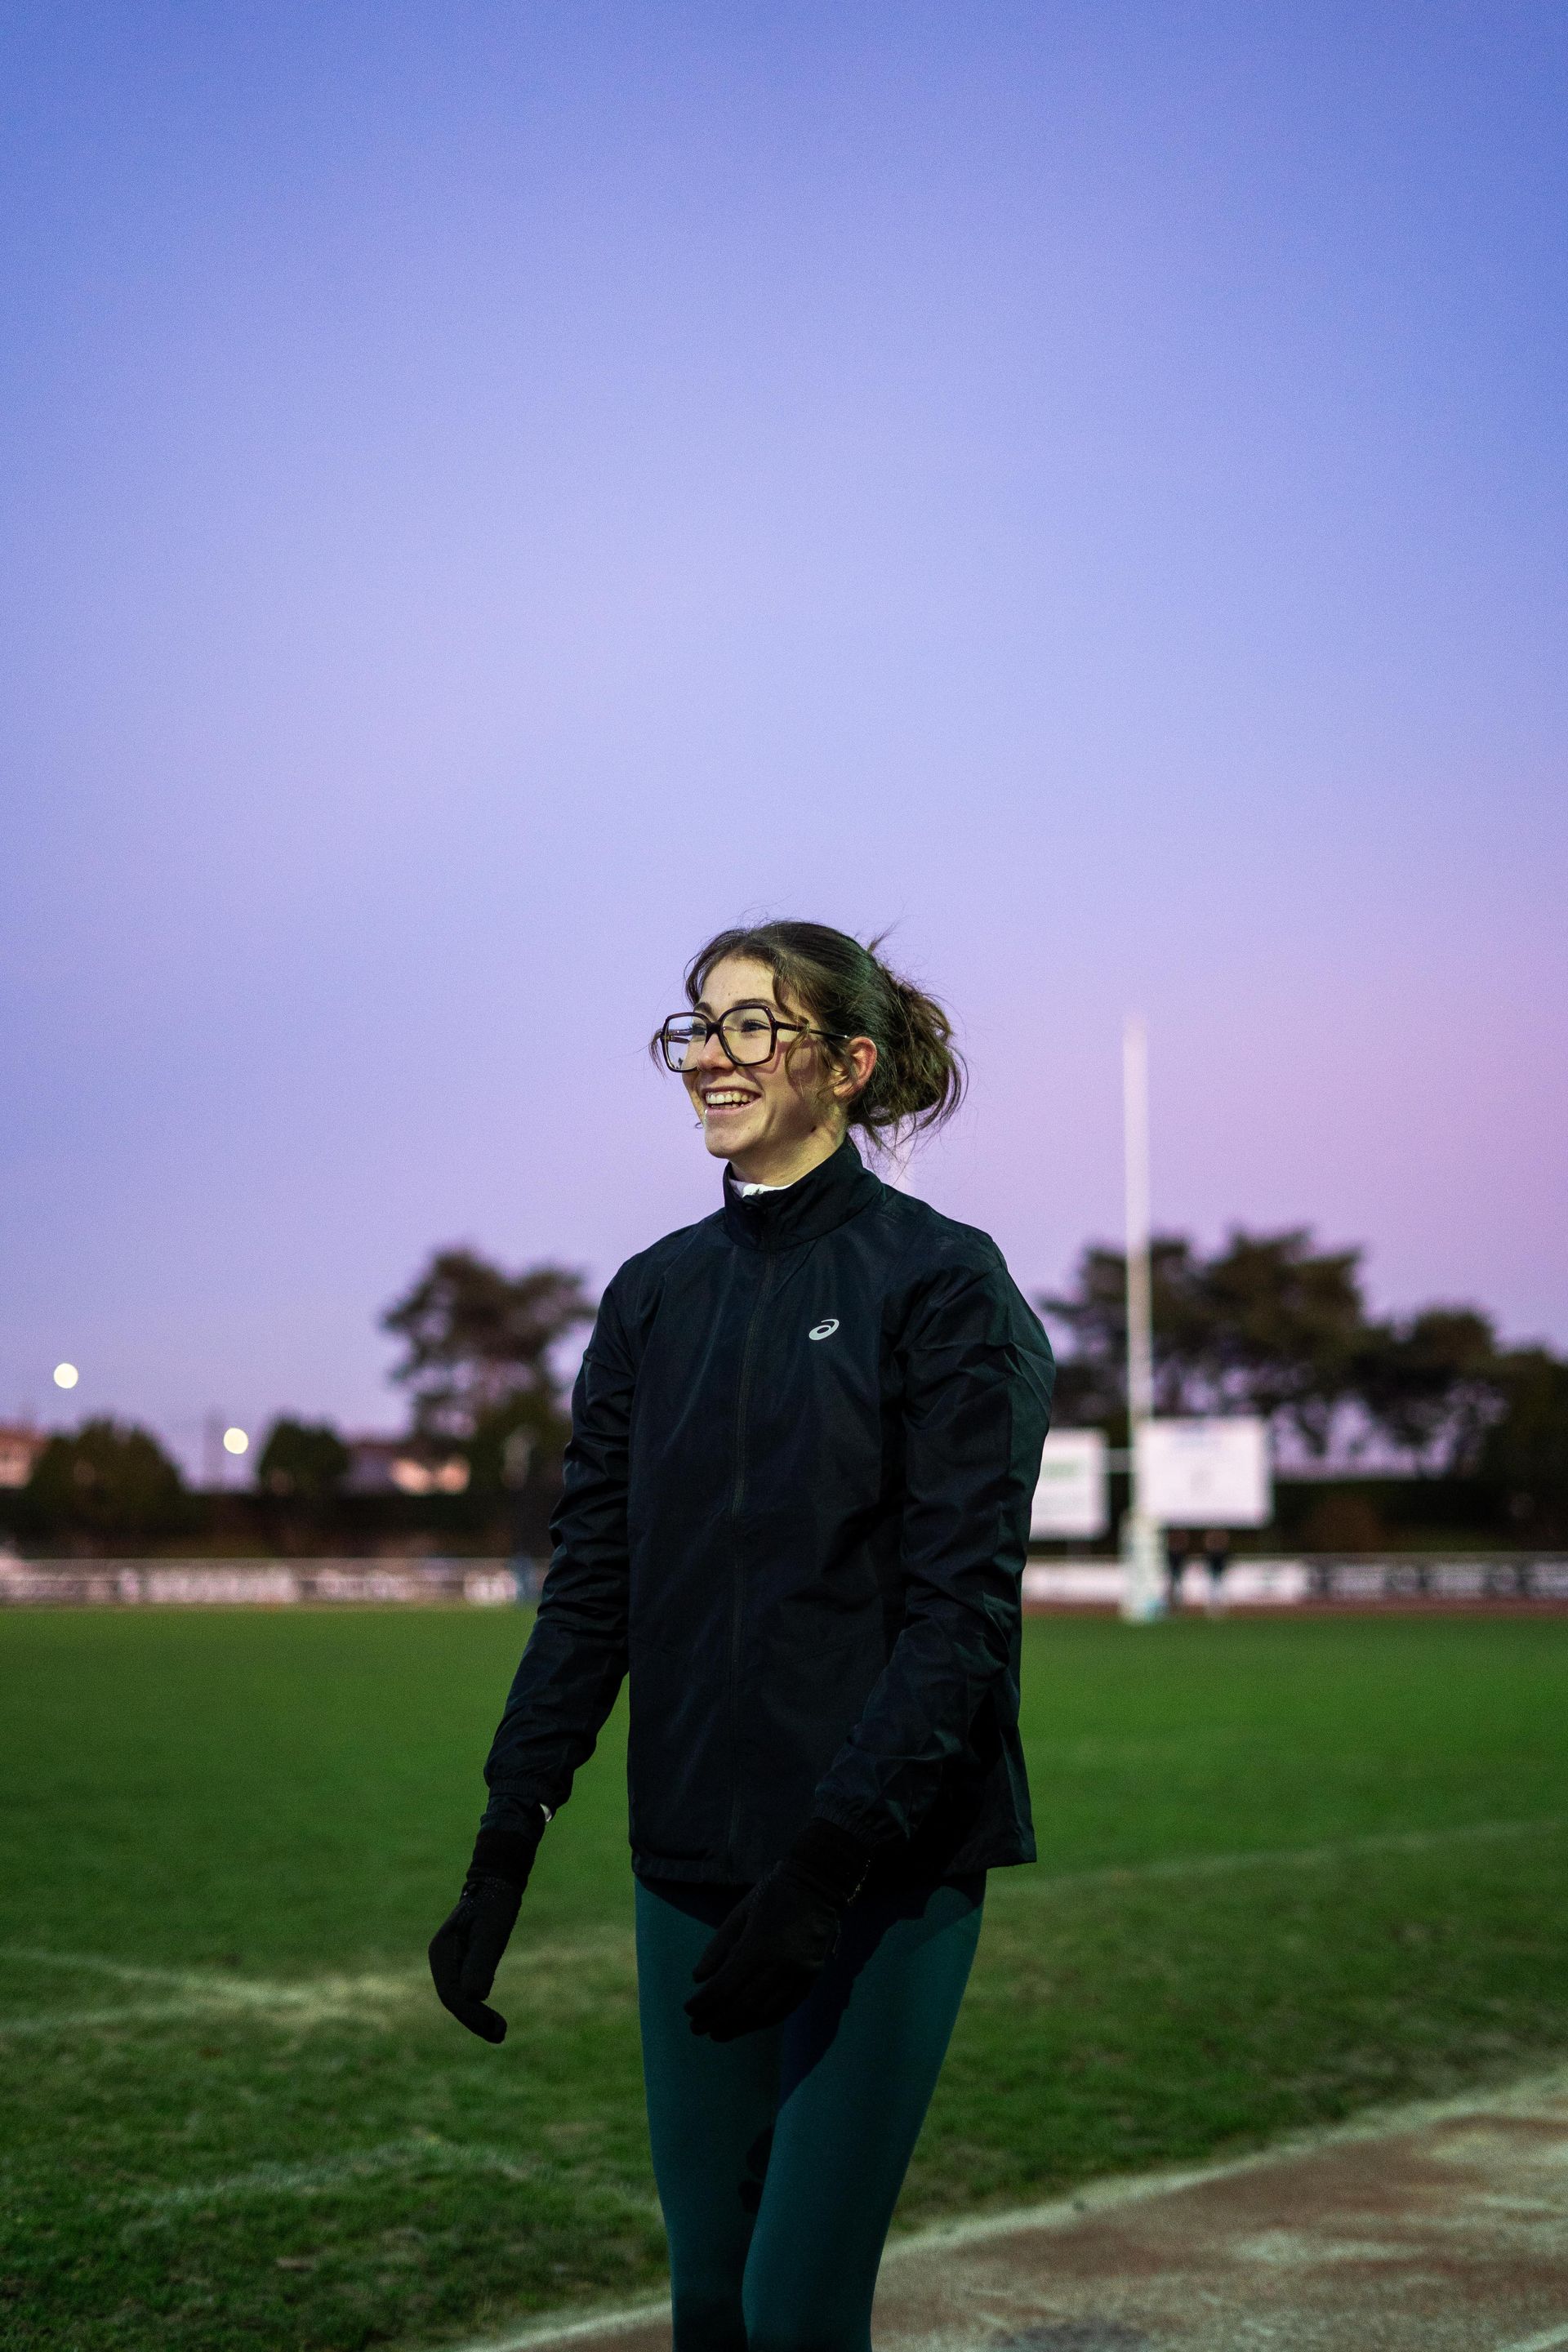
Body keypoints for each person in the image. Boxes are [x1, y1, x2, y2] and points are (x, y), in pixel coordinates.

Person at [428, 920, 1054, 2352]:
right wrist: (507, 1831)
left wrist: (831, 1868)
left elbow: (964, 1617)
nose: (709, 1053)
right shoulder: (654, 1296)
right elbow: (593, 1585)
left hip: (880, 1879)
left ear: (848, 1065)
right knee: (711, 2299)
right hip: (692, 1864)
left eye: (751, 1026)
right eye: (697, 1025)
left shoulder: (943, 1285)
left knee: (795, 2310)